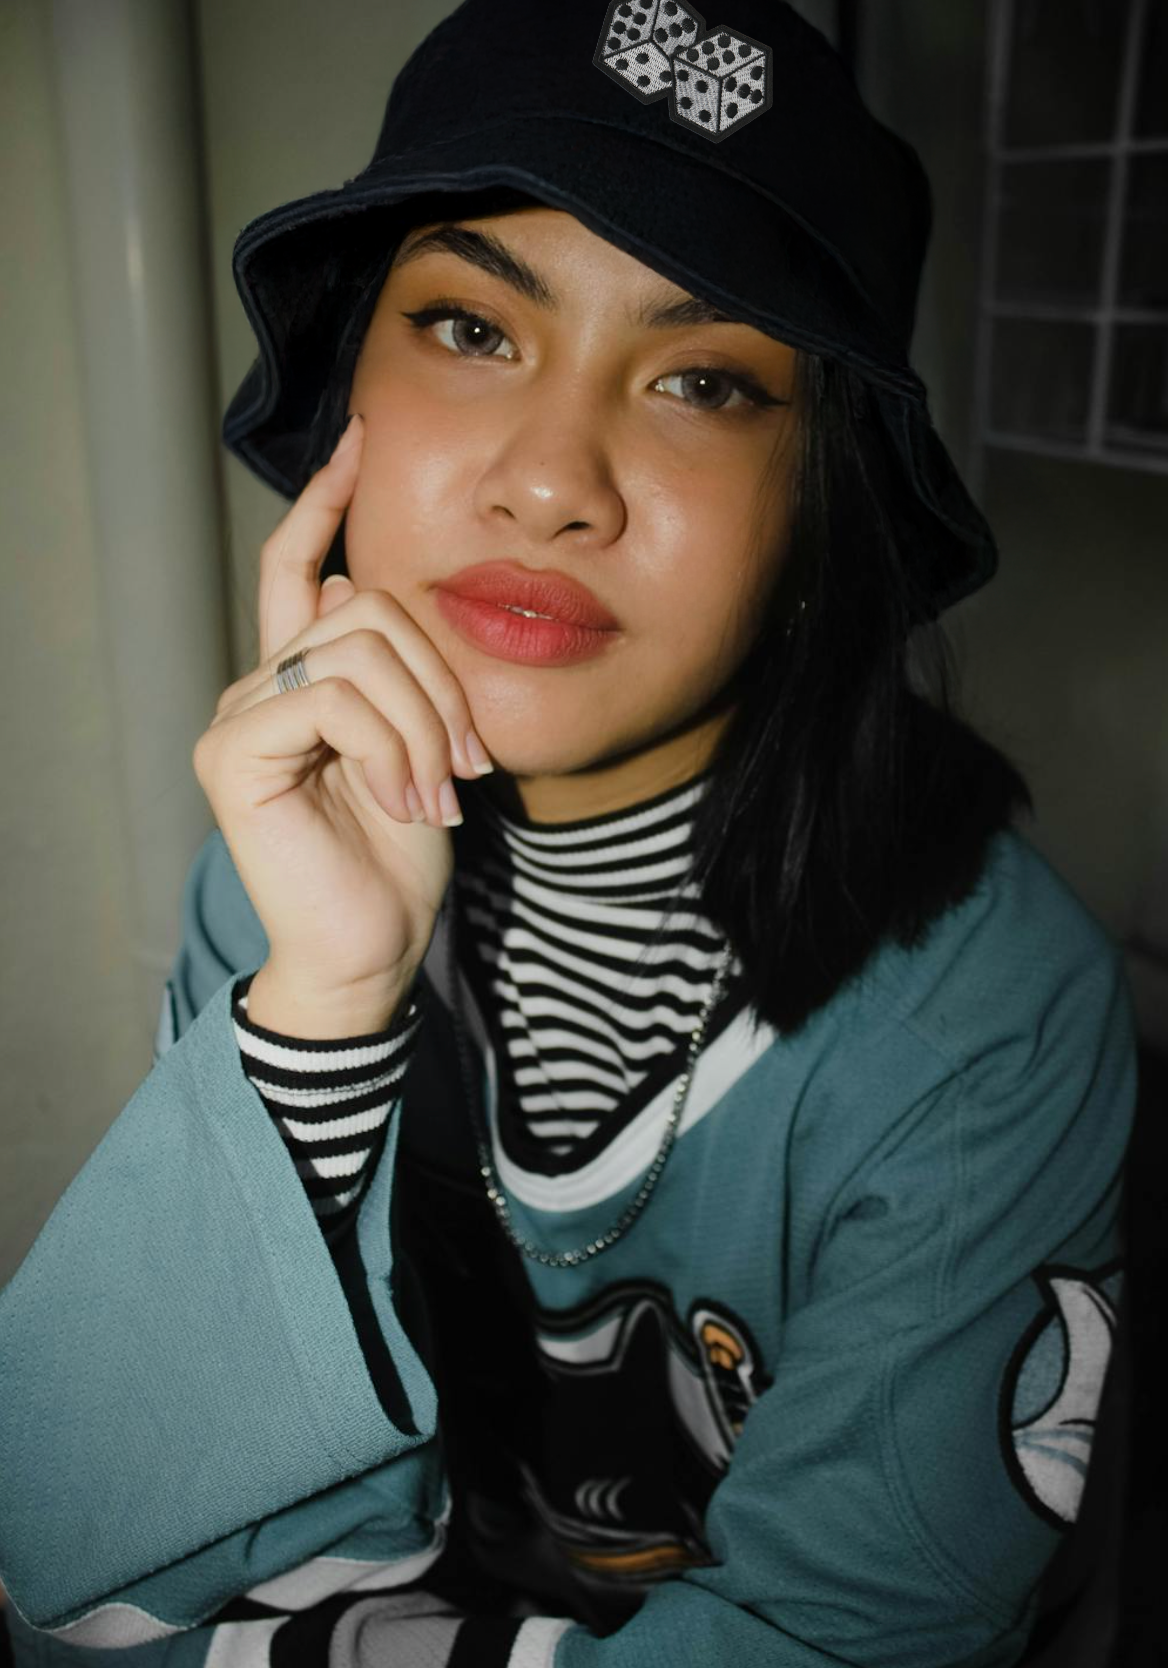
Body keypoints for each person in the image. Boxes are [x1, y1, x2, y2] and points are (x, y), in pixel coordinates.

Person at [0, 2, 1137, 1664]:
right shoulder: (285, 890)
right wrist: (324, 1012)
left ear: (823, 506)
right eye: (472, 329)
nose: (552, 482)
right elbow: (81, 1565)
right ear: (348, 394)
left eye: (703, 381)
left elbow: (843, 1634)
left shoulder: (990, 1013)